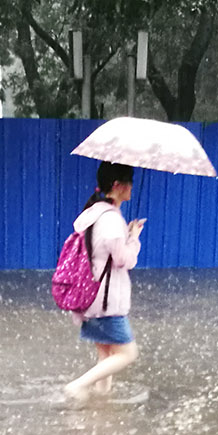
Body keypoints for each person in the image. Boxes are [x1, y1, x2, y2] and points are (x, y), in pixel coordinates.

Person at [63, 162, 144, 404]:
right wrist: (134, 239)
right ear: (117, 185)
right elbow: (124, 260)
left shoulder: (94, 214)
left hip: (90, 296)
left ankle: (101, 404)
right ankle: (77, 386)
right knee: (128, 353)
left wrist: (126, 235)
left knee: (106, 354)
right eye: (129, 182)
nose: (132, 187)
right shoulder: (110, 219)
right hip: (106, 301)